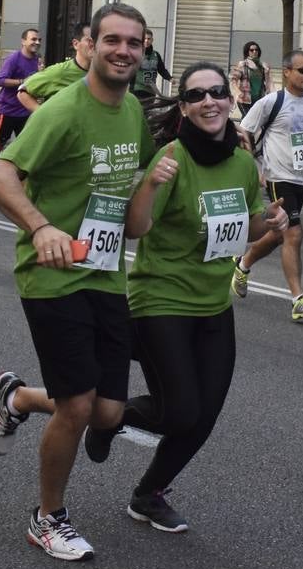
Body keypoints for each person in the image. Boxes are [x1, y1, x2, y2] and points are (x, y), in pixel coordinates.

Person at [0, 2, 154, 562]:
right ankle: (47, 516)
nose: (123, 50)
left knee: (106, 411)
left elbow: (137, 198)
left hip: (104, 273)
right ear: (92, 45)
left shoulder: (132, 115)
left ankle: (18, 397)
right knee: (78, 406)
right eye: (112, 40)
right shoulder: (64, 109)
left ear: (143, 49)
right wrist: (41, 227)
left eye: (133, 42)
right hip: (52, 276)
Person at [100, 61, 285, 531]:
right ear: (183, 107)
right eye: (198, 95)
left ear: (230, 101)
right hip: (160, 298)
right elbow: (137, 229)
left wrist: (274, 223)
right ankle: (108, 415)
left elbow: (250, 223)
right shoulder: (172, 160)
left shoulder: (243, 162)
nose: (210, 101)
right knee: (180, 411)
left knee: (204, 416)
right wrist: (152, 184)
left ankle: (148, 494)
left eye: (218, 93)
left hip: (213, 304)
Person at [232, 50, 303, 322]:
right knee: (294, 233)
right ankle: (299, 299)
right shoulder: (272, 102)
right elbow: (244, 131)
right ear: (287, 71)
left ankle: (242, 264)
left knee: (279, 234)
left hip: (302, 176)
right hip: (278, 176)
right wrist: (255, 168)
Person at [0, 28, 42, 200]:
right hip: (7, 110)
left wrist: (40, 76)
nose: (37, 43)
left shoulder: (37, 61)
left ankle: (21, 186)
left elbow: (37, 84)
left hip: (26, 112)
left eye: (39, 40)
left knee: (25, 149)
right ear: (23, 41)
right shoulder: (14, 59)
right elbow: (0, 80)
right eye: (33, 39)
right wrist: (23, 82)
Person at [17, 22, 92, 113]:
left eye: (98, 40)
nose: (95, 44)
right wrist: (43, 115)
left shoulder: (104, 74)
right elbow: (23, 91)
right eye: (89, 40)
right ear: (76, 44)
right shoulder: (59, 72)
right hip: (11, 112)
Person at [229, 41, 270, 119]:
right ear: (247, 52)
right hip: (244, 99)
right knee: (248, 119)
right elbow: (233, 80)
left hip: (258, 99)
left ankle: (238, 131)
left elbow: (267, 82)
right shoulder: (242, 65)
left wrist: (268, 93)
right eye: (251, 50)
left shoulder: (262, 66)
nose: (254, 52)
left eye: (256, 50)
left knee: (251, 121)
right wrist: (238, 92)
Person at [131, 27, 173, 101]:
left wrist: (169, 78)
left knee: (148, 111)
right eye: (145, 38)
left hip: (151, 91)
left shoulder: (156, 55)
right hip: (137, 89)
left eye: (149, 39)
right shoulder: (136, 53)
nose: (146, 41)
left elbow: (162, 69)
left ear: (152, 40)